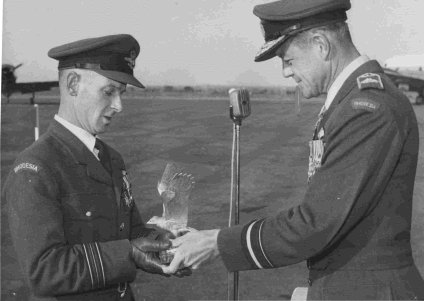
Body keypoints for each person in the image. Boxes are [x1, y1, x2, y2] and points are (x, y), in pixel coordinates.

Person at [163, 1, 424, 299]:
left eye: (288, 60)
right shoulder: (350, 102)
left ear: (320, 45)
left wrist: (216, 243)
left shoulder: (365, 109)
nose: (286, 72)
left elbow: (315, 224)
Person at [3, 34, 189, 301]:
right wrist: (129, 253)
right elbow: (43, 272)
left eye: (121, 93)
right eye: (109, 91)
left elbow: (129, 232)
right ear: (73, 84)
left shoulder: (111, 158)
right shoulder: (35, 168)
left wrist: (168, 242)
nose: (119, 105)